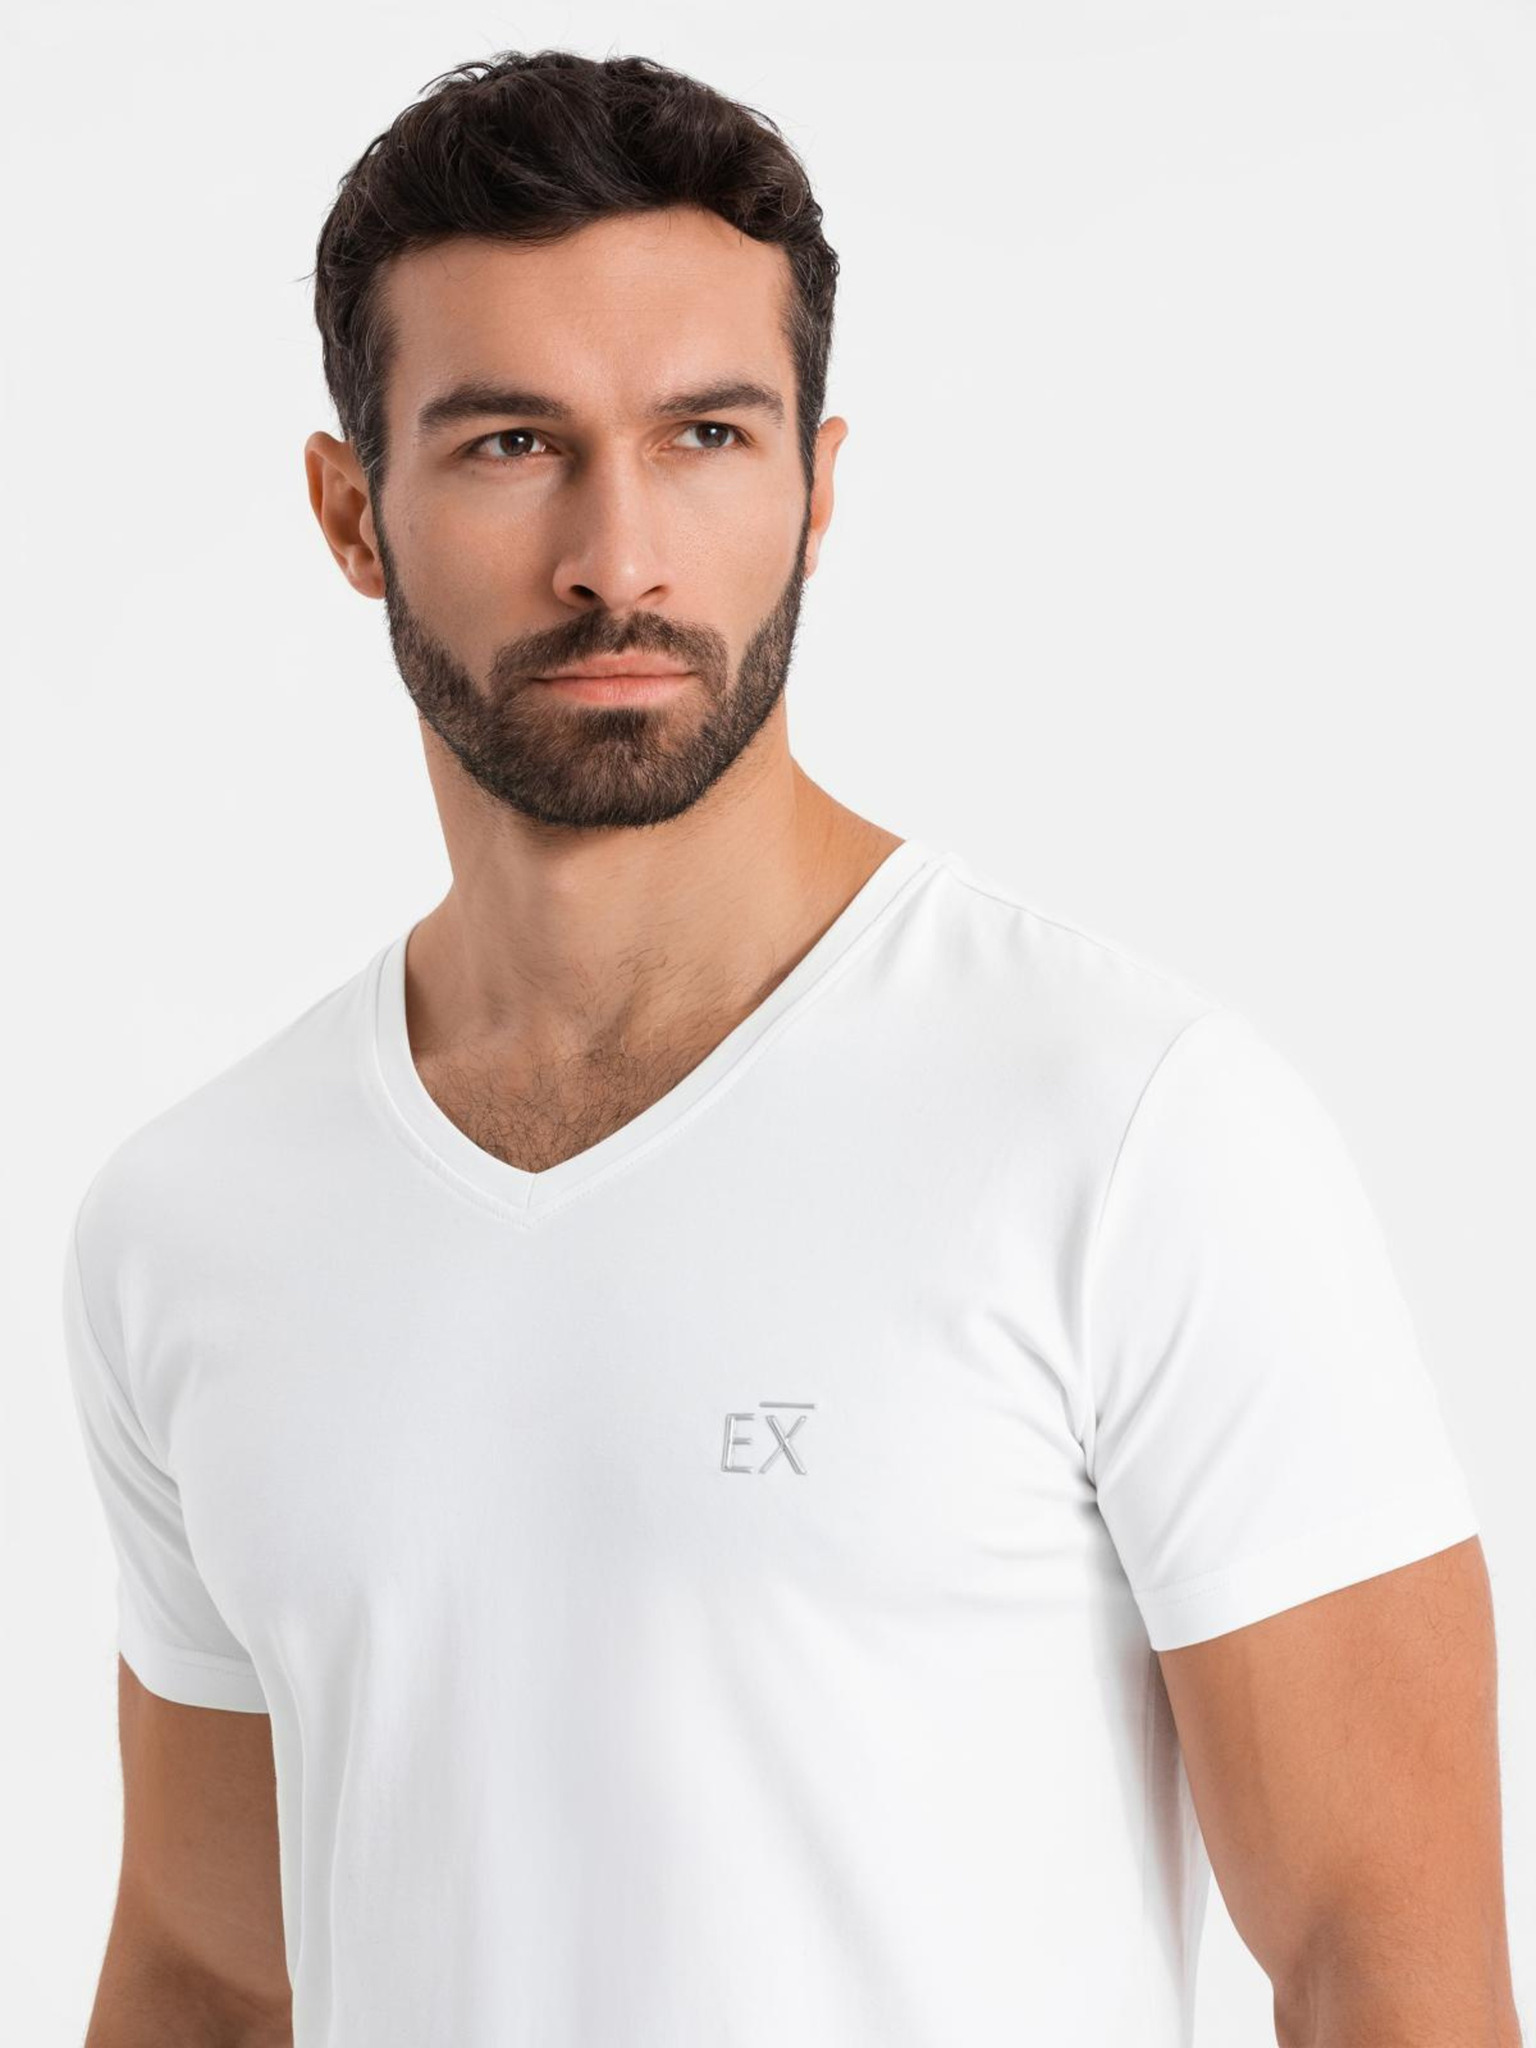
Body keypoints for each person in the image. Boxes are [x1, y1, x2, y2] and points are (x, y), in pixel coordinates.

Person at [61, 47, 1522, 2048]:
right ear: (350, 511)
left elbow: (1392, 1966)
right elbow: (211, 1977)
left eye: (705, 436)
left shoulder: (1128, 1129)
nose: (619, 557)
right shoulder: (197, 1222)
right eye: (510, 443)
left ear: (818, 488)